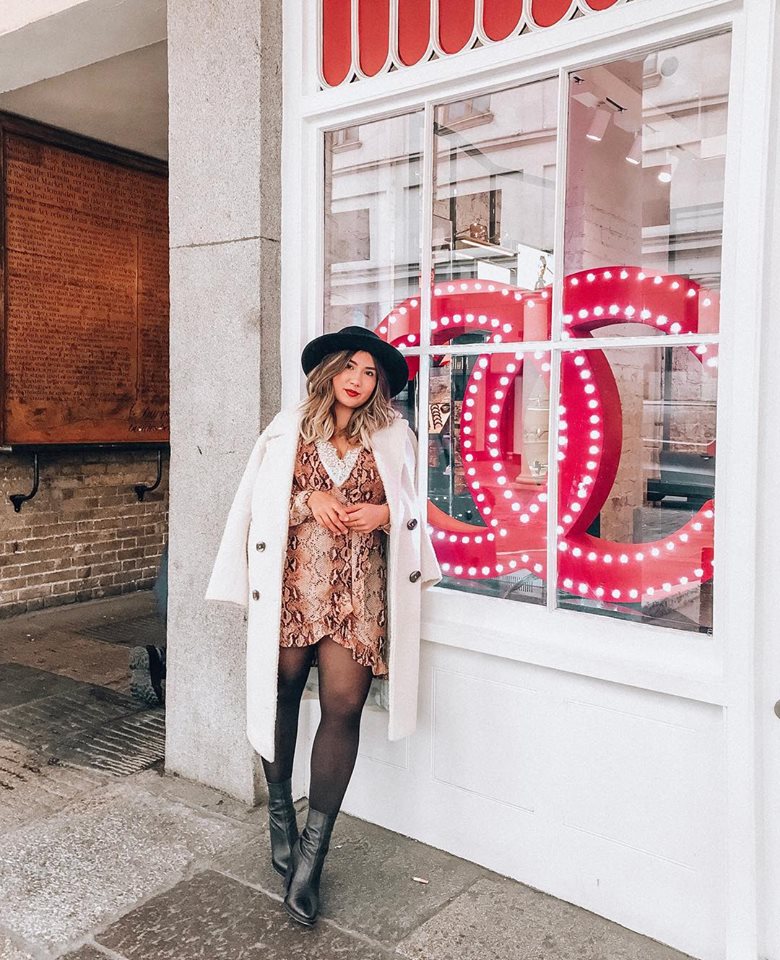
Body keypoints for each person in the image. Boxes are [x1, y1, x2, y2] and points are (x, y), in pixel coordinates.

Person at [205, 325, 441, 926]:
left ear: (380, 384)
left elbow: (414, 506)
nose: (358, 380)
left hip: (358, 594)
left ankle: (313, 855)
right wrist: (307, 500)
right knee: (280, 694)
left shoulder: (395, 435)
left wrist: (386, 512)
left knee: (343, 706)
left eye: (370, 373)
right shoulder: (287, 428)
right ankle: (279, 814)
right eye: (350, 368)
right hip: (293, 586)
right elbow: (255, 502)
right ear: (330, 371)